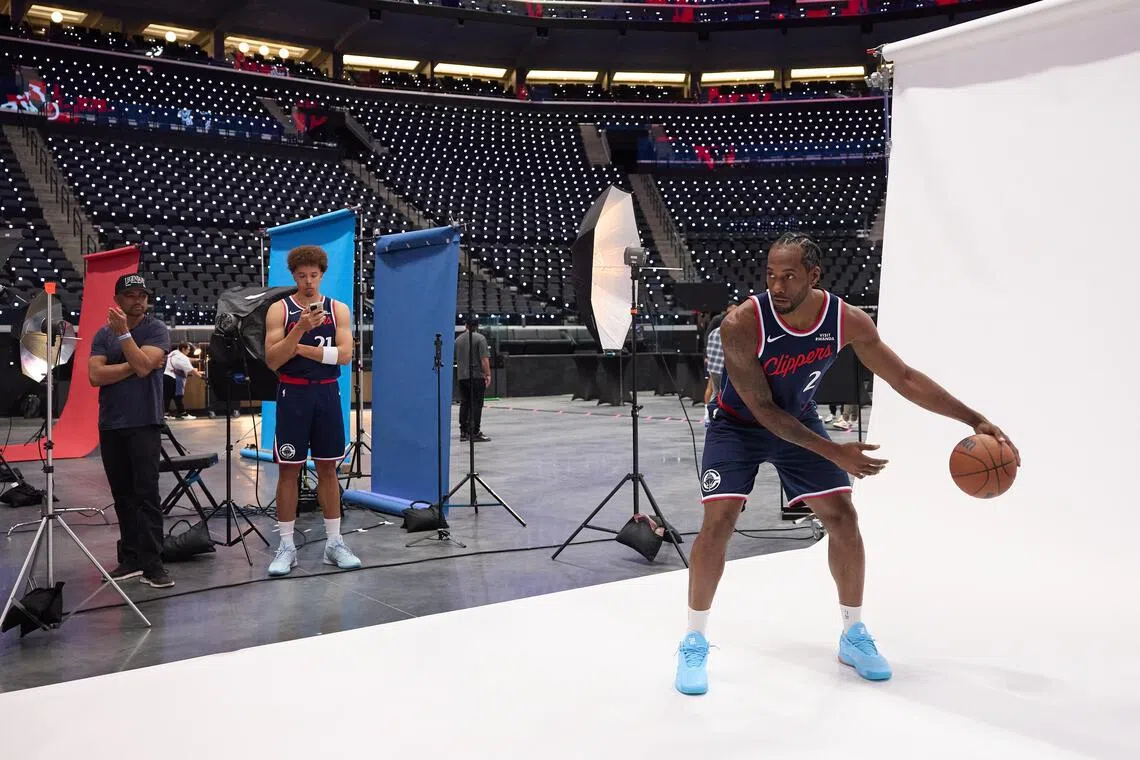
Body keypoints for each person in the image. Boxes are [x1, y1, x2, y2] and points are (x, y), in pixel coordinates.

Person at [675, 232, 1020, 694]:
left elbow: (904, 377)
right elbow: (762, 410)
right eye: (770, 276)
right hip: (739, 425)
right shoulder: (742, 324)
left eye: (788, 276)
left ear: (814, 276)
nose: (776, 286)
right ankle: (693, 640)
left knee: (842, 516)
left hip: (796, 420)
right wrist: (835, 451)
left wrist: (974, 419)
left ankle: (853, 633)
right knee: (718, 522)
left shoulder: (846, 320)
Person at [263, 245, 360, 577]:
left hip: (326, 395)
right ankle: (286, 546)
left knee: (328, 469)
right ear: (293, 276)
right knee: (289, 471)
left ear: (322, 275)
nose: (307, 282)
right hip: (293, 394)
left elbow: (345, 357)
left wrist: (298, 348)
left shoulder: (339, 309)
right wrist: (301, 328)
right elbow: (274, 360)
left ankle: (334, 543)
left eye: (313, 275)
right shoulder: (279, 310)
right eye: (301, 276)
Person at [87, 273, 173, 588]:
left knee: (147, 494)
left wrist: (125, 339)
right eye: (131, 295)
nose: (138, 300)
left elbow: (143, 364)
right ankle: (131, 559)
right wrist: (135, 366)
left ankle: (154, 564)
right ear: (118, 300)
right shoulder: (101, 334)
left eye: (142, 295)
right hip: (111, 423)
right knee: (122, 494)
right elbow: (95, 375)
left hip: (144, 422)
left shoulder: (155, 329)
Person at [455, 316, 491, 443]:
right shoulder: (480, 338)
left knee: (464, 403)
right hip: (476, 377)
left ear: (465, 325)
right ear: (477, 326)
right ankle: (474, 432)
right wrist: (487, 374)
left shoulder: (458, 340)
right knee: (476, 404)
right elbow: (484, 359)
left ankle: (463, 432)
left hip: (462, 377)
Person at [163, 342, 201, 419]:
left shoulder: (174, 353)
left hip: (165, 376)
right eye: (188, 350)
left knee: (167, 396)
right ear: (183, 349)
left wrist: (197, 360)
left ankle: (166, 414)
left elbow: (187, 359)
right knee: (178, 396)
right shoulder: (183, 358)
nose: (189, 351)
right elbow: (191, 370)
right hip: (172, 377)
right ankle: (183, 414)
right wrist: (202, 377)